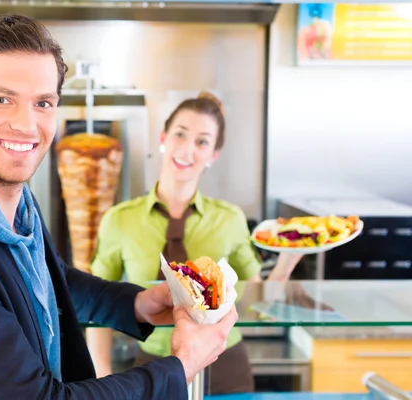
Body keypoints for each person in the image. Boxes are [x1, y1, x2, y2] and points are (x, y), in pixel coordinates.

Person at [0, 14, 239, 399]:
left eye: (43, 103)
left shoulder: (7, 196)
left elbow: (47, 279)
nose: (27, 125)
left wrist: (135, 304)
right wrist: (182, 366)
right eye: (2, 99)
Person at [86, 92, 303, 393]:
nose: (188, 149)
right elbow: (98, 306)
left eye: (202, 141)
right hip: (153, 365)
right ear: (164, 137)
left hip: (227, 367)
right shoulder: (120, 220)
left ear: (214, 154)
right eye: (180, 134)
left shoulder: (229, 219)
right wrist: (102, 378)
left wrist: (290, 257)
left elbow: (256, 302)